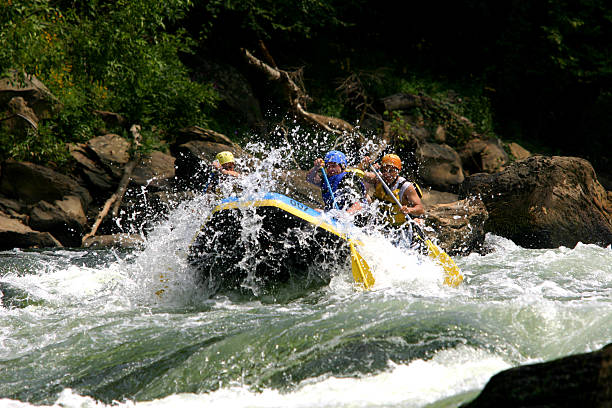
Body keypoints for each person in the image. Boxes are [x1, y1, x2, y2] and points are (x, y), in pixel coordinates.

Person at [360, 153, 426, 250]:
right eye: (384, 170)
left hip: (399, 229)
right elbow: (359, 174)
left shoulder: (406, 187)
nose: (387, 174)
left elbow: (420, 209)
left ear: (398, 171)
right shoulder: (377, 178)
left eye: (391, 171)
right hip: (379, 225)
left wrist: (409, 210)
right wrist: (363, 165)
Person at [306, 150, 367, 215]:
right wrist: (316, 167)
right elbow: (309, 179)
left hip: (352, 217)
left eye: (334, 166)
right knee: (316, 211)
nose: (330, 169)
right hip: (336, 214)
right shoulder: (326, 178)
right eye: (328, 166)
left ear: (342, 166)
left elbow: (360, 202)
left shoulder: (347, 178)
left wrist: (345, 216)